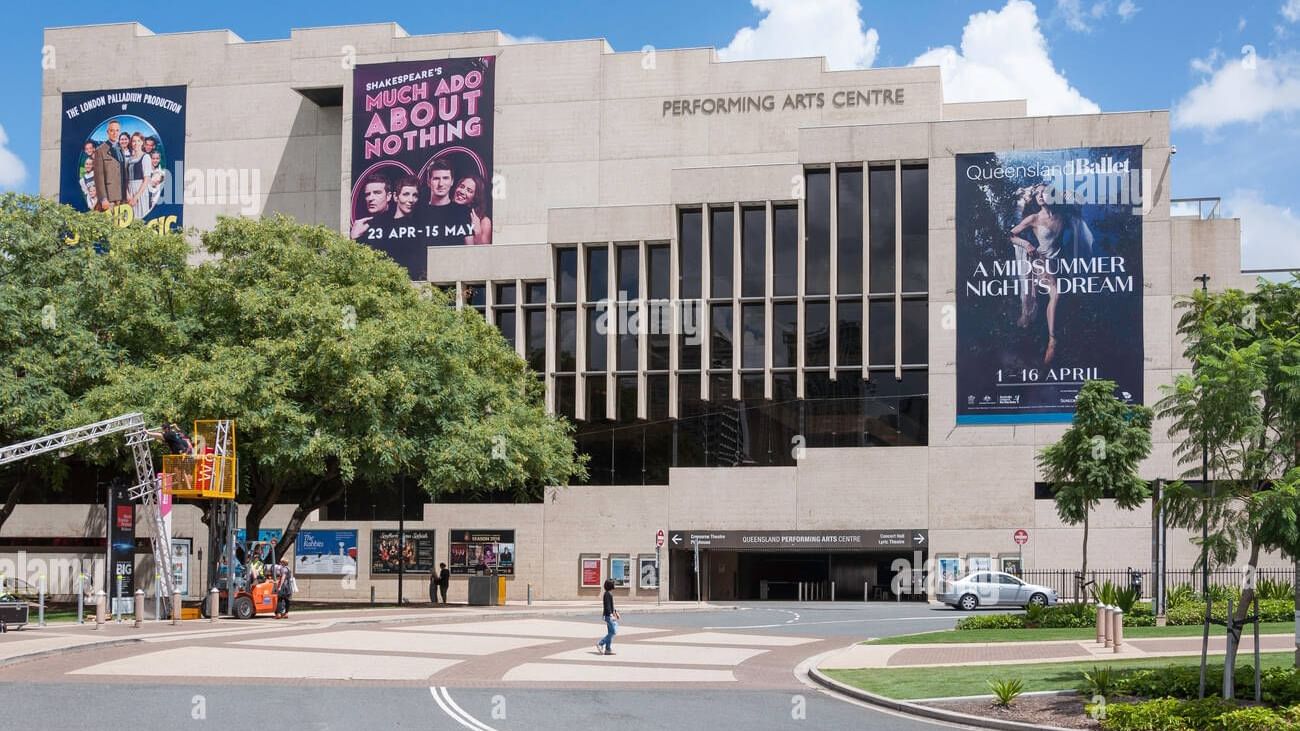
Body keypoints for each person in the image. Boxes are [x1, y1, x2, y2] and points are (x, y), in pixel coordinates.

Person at [420, 159, 472, 246]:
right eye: (436, 179)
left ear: (452, 181)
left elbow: (470, 250)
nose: (441, 184)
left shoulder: (463, 212)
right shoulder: (419, 212)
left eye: (445, 178)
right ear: (429, 182)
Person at [90, 119, 128, 211]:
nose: (115, 133)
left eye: (117, 130)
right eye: (112, 130)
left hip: (122, 197)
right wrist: (103, 198)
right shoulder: (100, 150)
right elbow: (99, 177)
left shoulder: (120, 149)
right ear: (107, 132)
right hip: (109, 199)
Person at [350, 175, 394, 240]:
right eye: (367, 194)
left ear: (388, 196)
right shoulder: (360, 226)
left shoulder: (399, 222)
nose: (370, 198)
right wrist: (353, 238)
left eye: (377, 193)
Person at [452, 174, 492, 245]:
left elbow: (483, 253)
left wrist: (477, 232)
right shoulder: (445, 212)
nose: (462, 192)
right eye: (461, 187)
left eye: (469, 191)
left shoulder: (484, 221)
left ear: (475, 198)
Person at [125, 132, 155, 221]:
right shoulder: (129, 159)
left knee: (140, 218)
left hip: (140, 190)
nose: (136, 143)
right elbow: (126, 179)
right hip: (130, 190)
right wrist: (127, 194)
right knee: (129, 218)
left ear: (142, 142)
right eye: (134, 141)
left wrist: (136, 197)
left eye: (138, 141)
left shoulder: (145, 157)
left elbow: (146, 179)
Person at [596, 578, 620, 655]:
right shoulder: (607, 594)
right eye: (614, 583)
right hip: (608, 616)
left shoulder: (609, 593)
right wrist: (610, 615)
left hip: (610, 615)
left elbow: (611, 605)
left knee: (610, 632)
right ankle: (600, 643)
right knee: (613, 631)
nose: (615, 585)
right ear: (610, 585)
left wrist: (616, 612)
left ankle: (608, 649)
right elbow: (607, 606)